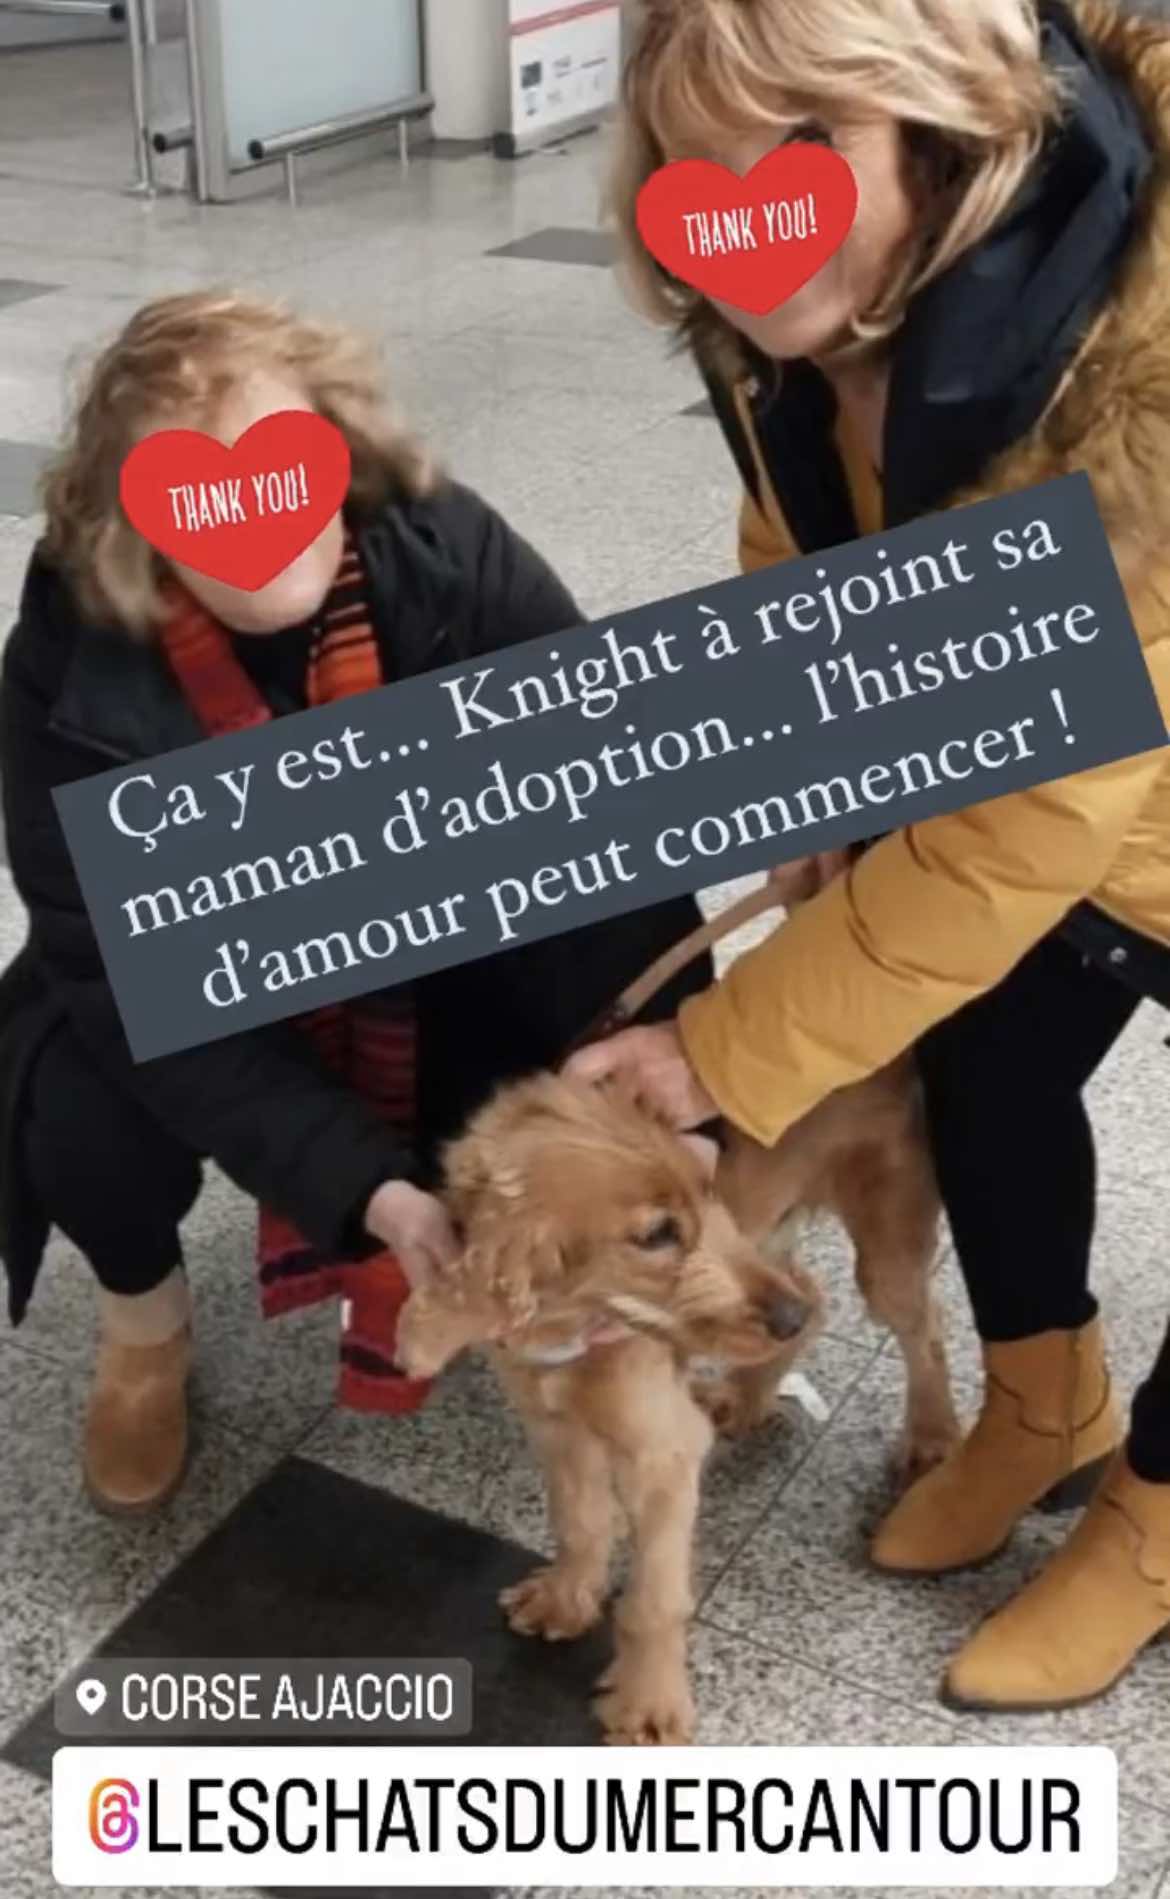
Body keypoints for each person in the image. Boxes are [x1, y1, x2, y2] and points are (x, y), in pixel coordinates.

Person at [570, 0, 1170, 1711]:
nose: (748, 213)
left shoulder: (1135, 377)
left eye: (806, 144)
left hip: (1107, 796)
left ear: (943, 137)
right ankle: (1046, 1402)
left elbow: (1024, 823)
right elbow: (801, 548)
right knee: (979, 1062)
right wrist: (830, 777)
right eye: (702, 165)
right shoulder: (803, 321)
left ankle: (1154, 1517)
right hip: (1088, 820)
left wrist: (715, 1048)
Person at [0, 290, 710, 1517]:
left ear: (345, 449)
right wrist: (366, 1185)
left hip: (436, 952)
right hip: (198, 985)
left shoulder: (453, 557)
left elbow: (611, 841)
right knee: (71, 1105)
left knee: (566, 1026)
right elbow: (113, 976)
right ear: (131, 521)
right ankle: (144, 1327)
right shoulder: (66, 664)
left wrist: (680, 1097)